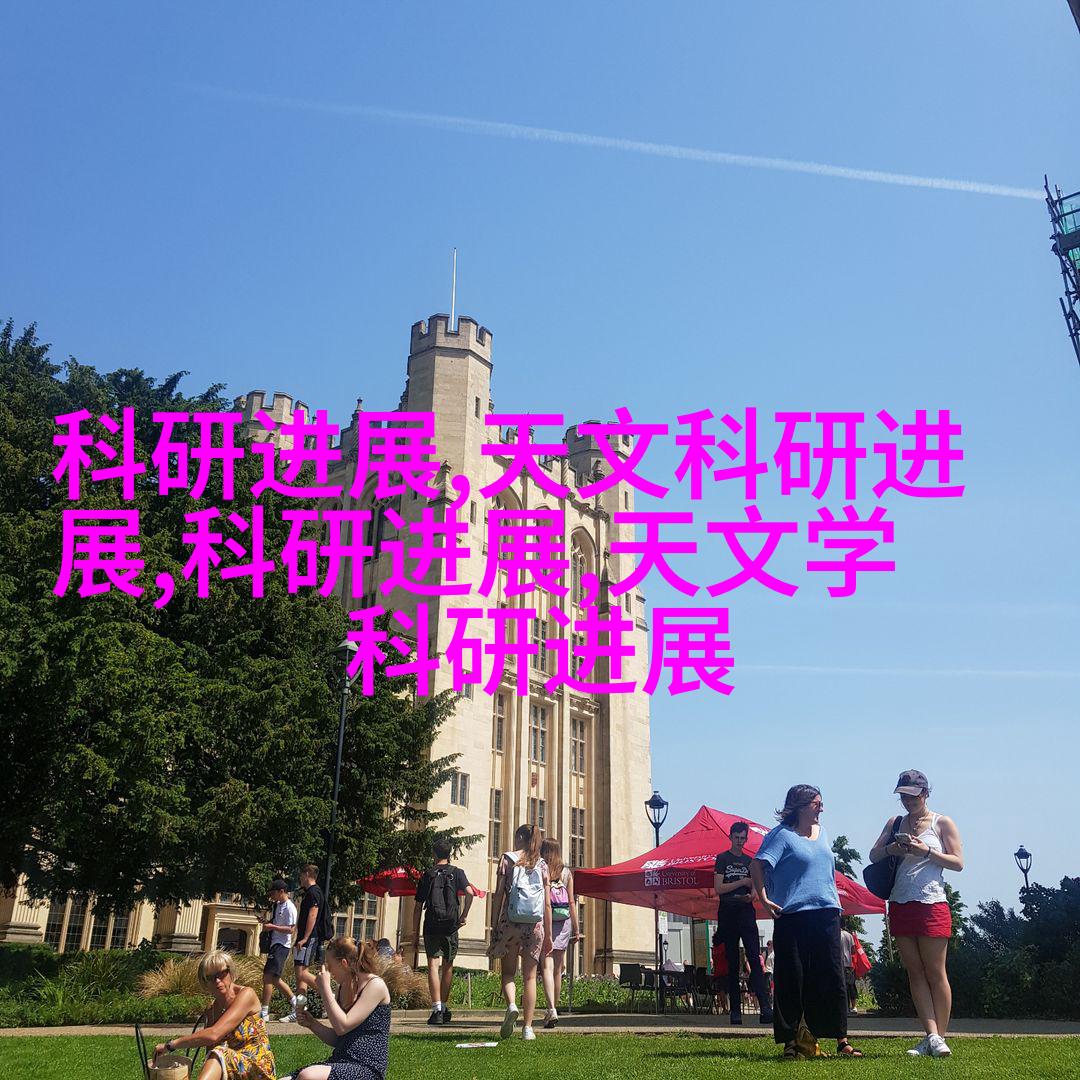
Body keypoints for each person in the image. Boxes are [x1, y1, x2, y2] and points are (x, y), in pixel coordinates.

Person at [749, 784, 862, 1060]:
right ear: (799, 807)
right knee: (792, 977)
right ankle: (791, 1042)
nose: (821, 808)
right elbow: (756, 865)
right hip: (792, 915)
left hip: (827, 912)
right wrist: (764, 899)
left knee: (831, 975)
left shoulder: (823, 833)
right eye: (816, 804)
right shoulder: (782, 836)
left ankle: (841, 1039)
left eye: (821, 803)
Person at [869, 769, 963, 1059]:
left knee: (936, 971)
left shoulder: (942, 822)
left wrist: (926, 852)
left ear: (925, 793)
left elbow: (958, 862)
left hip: (932, 902)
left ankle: (939, 1038)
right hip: (900, 901)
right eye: (903, 797)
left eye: (912, 796)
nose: (908, 802)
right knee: (915, 971)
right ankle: (931, 1035)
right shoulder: (895, 822)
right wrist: (892, 848)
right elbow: (873, 855)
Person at [152, 951, 275, 1080]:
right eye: (210, 978)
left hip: (257, 1068)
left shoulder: (246, 995)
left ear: (230, 972)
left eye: (221, 974)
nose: (217, 981)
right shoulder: (211, 1010)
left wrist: (171, 1045)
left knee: (219, 1053)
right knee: (216, 1053)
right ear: (204, 982)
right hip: (232, 1070)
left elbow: (214, 1034)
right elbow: (210, 1051)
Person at [285, 937, 392, 1080]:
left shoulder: (375, 985)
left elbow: (343, 1026)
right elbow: (338, 1038)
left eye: (330, 965)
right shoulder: (343, 988)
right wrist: (312, 1024)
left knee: (308, 1076)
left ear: (344, 964)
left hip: (367, 1068)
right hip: (340, 1061)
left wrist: (325, 989)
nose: (329, 972)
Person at [488, 823, 552, 1041]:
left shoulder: (507, 859)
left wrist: (494, 923)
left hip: (510, 923)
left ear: (519, 838)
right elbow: (547, 904)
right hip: (535, 926)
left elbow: (498, 894)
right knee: (530, 977)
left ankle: (512, 1005)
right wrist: (548, 935)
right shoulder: (542, 865)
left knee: (508, 973)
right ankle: (528, 1028)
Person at [714, 820, 773, 1025]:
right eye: (736, 838)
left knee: (754, 959)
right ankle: (735, 1010)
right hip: (728, 911)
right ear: (731, 837)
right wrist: (742, 882)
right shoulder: (723, 858)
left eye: (742, 838)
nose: (739, 841)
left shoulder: (750, 861)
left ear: (746, 839)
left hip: (746, 912)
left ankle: (765, 1007)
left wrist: (752, 894)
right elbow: (719, 888)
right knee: (732, 961)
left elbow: (756, 887)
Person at [412, 837, 473, 1025]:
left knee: (433, 965)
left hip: (431, 924)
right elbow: (470, 893)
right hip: (450, 925)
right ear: (449, 853)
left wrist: (414, 933)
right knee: (448, 965)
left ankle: (436, 1008)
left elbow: (417, 907)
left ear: (434, 854)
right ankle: (444, 1007)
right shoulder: (457, 873)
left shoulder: (427, 874)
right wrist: (463, 915)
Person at [539, 837, 581, 1029]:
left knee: (546, 967)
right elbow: (572, 902)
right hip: (564, 923)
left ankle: (551, 1009)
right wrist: (577, 928)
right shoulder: (566, 873)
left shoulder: (541, 869)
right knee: (558, 969)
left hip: (545, 921)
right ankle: (554, 1007)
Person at [285, 863, 329, 1022]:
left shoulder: (314, 893)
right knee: (300, 978)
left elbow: (313, 915)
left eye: (301, 875)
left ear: (307, 874)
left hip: (309, 938)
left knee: (302, 973)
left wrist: (305, 938)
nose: (300, 879)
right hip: (304, 938)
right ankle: (300, 1010)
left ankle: (329, 996)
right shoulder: (310, 893)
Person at [260, 878, 297, 1021]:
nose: (271, 896)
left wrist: (273, 927)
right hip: (274, 943)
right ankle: (296, 1004)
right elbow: (275, 923)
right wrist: (267, 923)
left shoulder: (290, 908)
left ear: (281, 891)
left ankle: (264, 1011)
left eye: (273, 893)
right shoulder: (277, 906)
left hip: (281, 945)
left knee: (267, 977)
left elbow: (291, 930)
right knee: (275, 979)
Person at [839, 926, 858, 1014]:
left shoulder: (836, 935)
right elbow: (853, 950)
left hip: (839, 963)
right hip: (848, 964)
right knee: (851, 986)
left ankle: (845, 1007)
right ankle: (854, 1006)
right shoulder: (849, 935)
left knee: (842, 986)